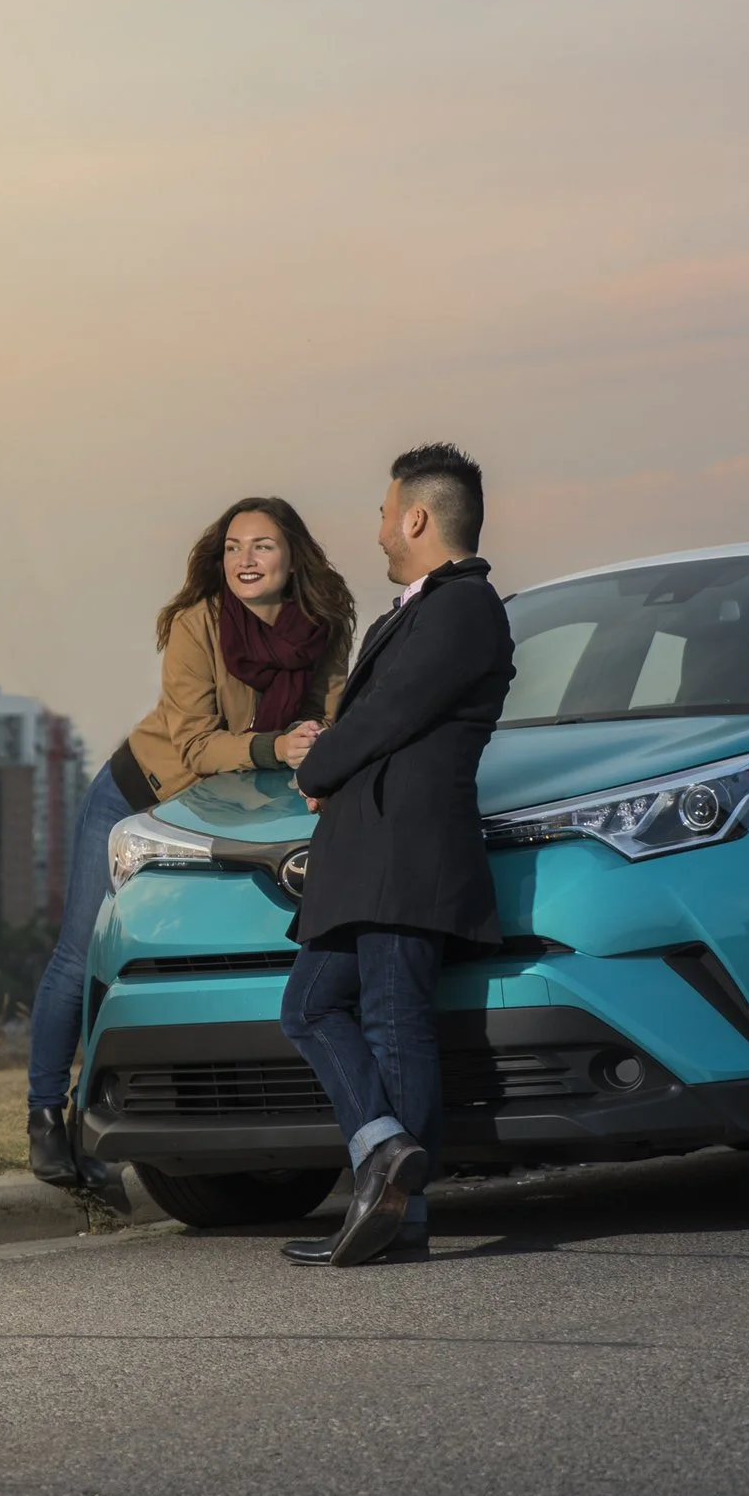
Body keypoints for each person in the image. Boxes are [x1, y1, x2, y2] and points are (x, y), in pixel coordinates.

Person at [26, 498, 357, 1186]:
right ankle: (44, 1118)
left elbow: (329, 720)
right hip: (143, 792)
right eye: (234, 547)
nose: (245, 560)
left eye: (262, 546)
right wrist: (278, 745)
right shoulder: (197, 624)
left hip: (237, 811)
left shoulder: (323, 629)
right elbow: (196, 745)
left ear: (293, 555)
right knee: (85, 951)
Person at [277, 443, 515, 1266]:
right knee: (309, 1006)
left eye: (384, 513)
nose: (377, 530)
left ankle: (399, 1216)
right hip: (364, 853)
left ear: (416, 517)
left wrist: (318, 765)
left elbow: (390, 717)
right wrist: (334, 767)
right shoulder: (413, 611)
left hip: (407, 852)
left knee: (391, 1016)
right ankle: (384, 1151)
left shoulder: (465, 606)